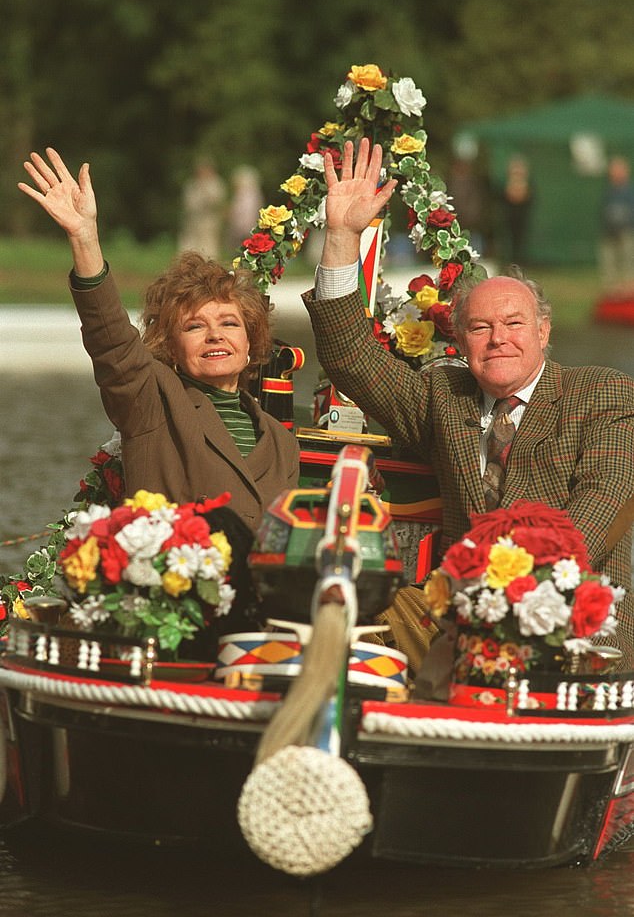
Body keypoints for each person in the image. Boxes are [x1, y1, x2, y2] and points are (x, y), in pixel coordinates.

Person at [301, 137, 634, 672]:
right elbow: (348, 357)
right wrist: (341, 235)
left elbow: (594, 513)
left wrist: (497, 608)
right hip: (455, 625)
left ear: (545, 332)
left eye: (515, 324)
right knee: (351, 624)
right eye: (480, 327)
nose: (498, 338)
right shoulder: (444, 395)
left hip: (573, 623)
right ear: (458, 341)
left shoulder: (601, 393)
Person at [18, 148, 300, 538]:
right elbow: (112, 343)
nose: (215, 334)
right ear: (171, 348)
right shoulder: (153, 401)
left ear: (251, 341)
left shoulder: (282, 442)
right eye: (194, 327)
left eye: (229, 323)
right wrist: (84, 239)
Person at [178, 157, 227, 259]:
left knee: (208, 249)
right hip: (193, 222)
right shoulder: (192, 184)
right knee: (189, 248)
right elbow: (188, 203)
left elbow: (217, 202)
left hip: (209, 223)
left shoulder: (216, 184)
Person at [598, 155, 634, 292]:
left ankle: (628, 292)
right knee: (609, 263)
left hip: (626, 232)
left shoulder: (629, 192)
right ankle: (612, 291)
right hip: (610, 232)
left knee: (628, 262)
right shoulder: (609, 192)